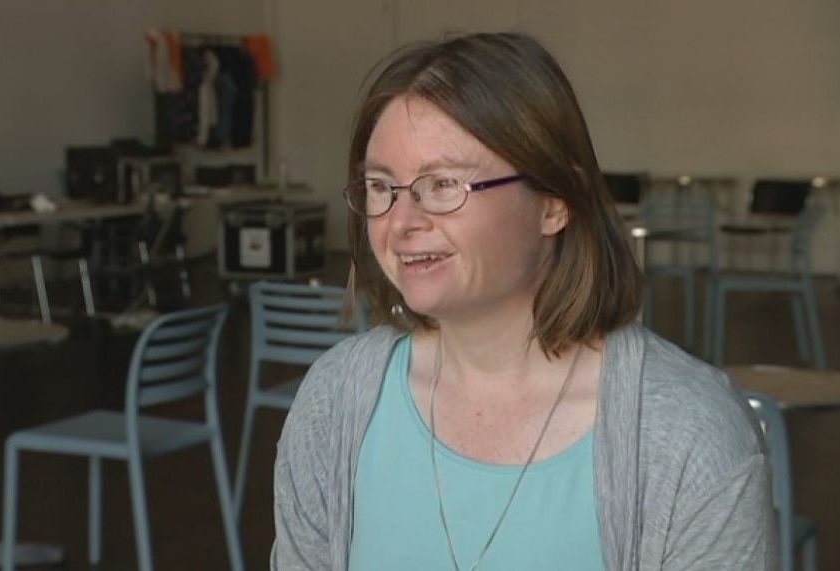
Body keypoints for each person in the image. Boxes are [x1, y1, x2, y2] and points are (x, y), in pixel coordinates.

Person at [271, 32, 777, 570]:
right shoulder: (334, 402)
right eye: (380, 186)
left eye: (443, 184)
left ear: (555, 203)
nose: (401, 223)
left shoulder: (686, 434)